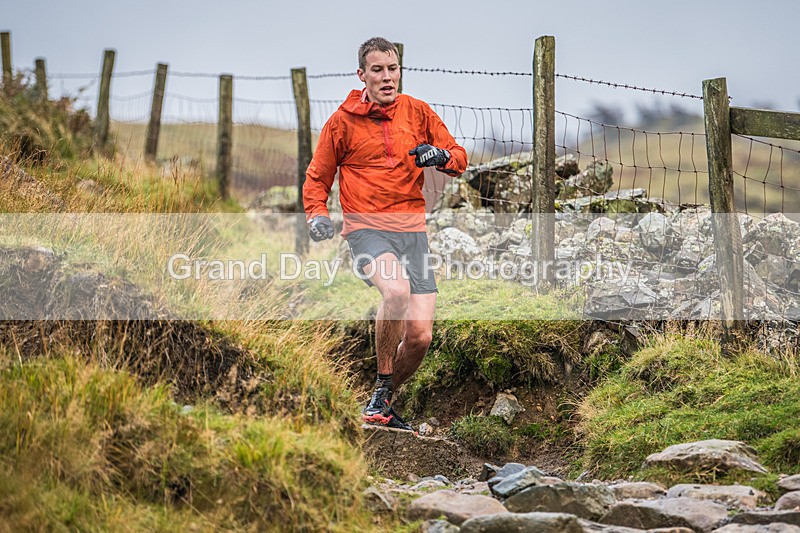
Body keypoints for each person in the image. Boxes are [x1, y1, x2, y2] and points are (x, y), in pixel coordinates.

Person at [302, 37, 468, 432]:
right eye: (378, 70)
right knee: (395, 291)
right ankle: (380, 386)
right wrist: (316, 217)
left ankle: (382, 402)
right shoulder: (342, 122)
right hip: (366, 231)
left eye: (393, 69)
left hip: (413, 233)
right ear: (363, 75)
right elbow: (316, 179)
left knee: (420, 338)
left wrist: (440, 157)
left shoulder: (418, 112)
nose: (387, 77)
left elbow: (459, 158)